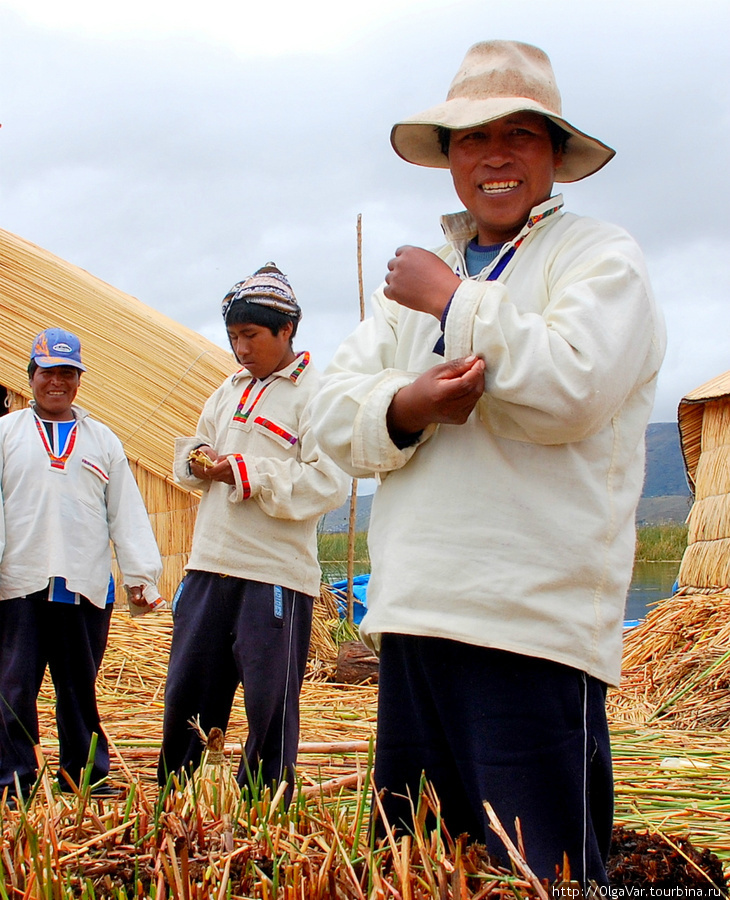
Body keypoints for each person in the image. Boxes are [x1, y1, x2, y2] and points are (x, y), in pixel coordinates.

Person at [310, 41, 666, 886]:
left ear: (553, 155)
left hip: (532, 622)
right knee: (420, 863)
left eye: (519, 134)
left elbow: (573, 385)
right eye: (470, 138)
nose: (494, 155)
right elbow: (331, 407)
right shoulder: (413, 293)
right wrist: (409, 405)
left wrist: (451, 301)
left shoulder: (598, 259)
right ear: (447, 159)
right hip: (418, 613)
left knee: (538, 867)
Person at [157, 264, 349, 801]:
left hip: (273, 574)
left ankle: (264, 808)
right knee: (187, 692)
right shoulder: (228, 388)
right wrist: (198, 460)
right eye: (234, 337)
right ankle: (175, 801)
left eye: (251, 336)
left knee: (270, 704)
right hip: (209, 563)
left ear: (287, 329)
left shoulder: (319, 394)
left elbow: (327, 483)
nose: (241, 349)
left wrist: (246, 473)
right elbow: (194, 451)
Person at [0, 328, 164, 801]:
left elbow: (126, 511)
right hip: (19, 584)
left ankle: (84, 777)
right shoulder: (7, 435)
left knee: (78, 692)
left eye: (68, 373)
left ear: (78, 380)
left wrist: (140, 576)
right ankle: (13, 782)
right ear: (31, 376)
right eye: (48, 372)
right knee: (12, 690)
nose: (58, 382)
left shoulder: (102, 439)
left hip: (84, 587)